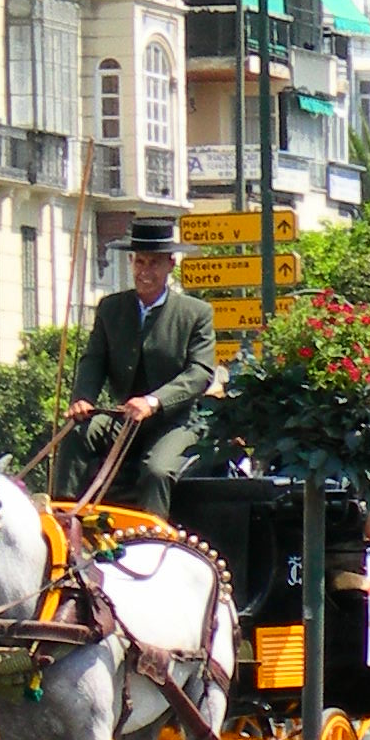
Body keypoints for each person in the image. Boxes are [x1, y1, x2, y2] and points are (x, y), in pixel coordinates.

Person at [55, 215, 217, 517]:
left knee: (156, 471)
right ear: (131, 262)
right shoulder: (111, 308)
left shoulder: (195, 313)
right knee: (75, 433)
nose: (145, 271)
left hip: (175, 422)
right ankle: (63, 519)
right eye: (140, 262)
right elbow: (94, 361)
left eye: (154, 263)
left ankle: (153, 543)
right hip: (122, 417)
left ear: (170, 264)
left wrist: (153, 402)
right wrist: (83, 399)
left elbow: (200, 373)